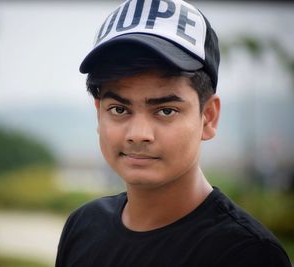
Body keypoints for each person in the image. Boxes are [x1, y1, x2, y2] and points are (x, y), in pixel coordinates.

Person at [55, 0, 292, 266]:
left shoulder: (247, 255)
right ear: (99, 113)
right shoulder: (83, 226)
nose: (138, 134)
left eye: (166, 111)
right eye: (119, 109)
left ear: (209, 117)